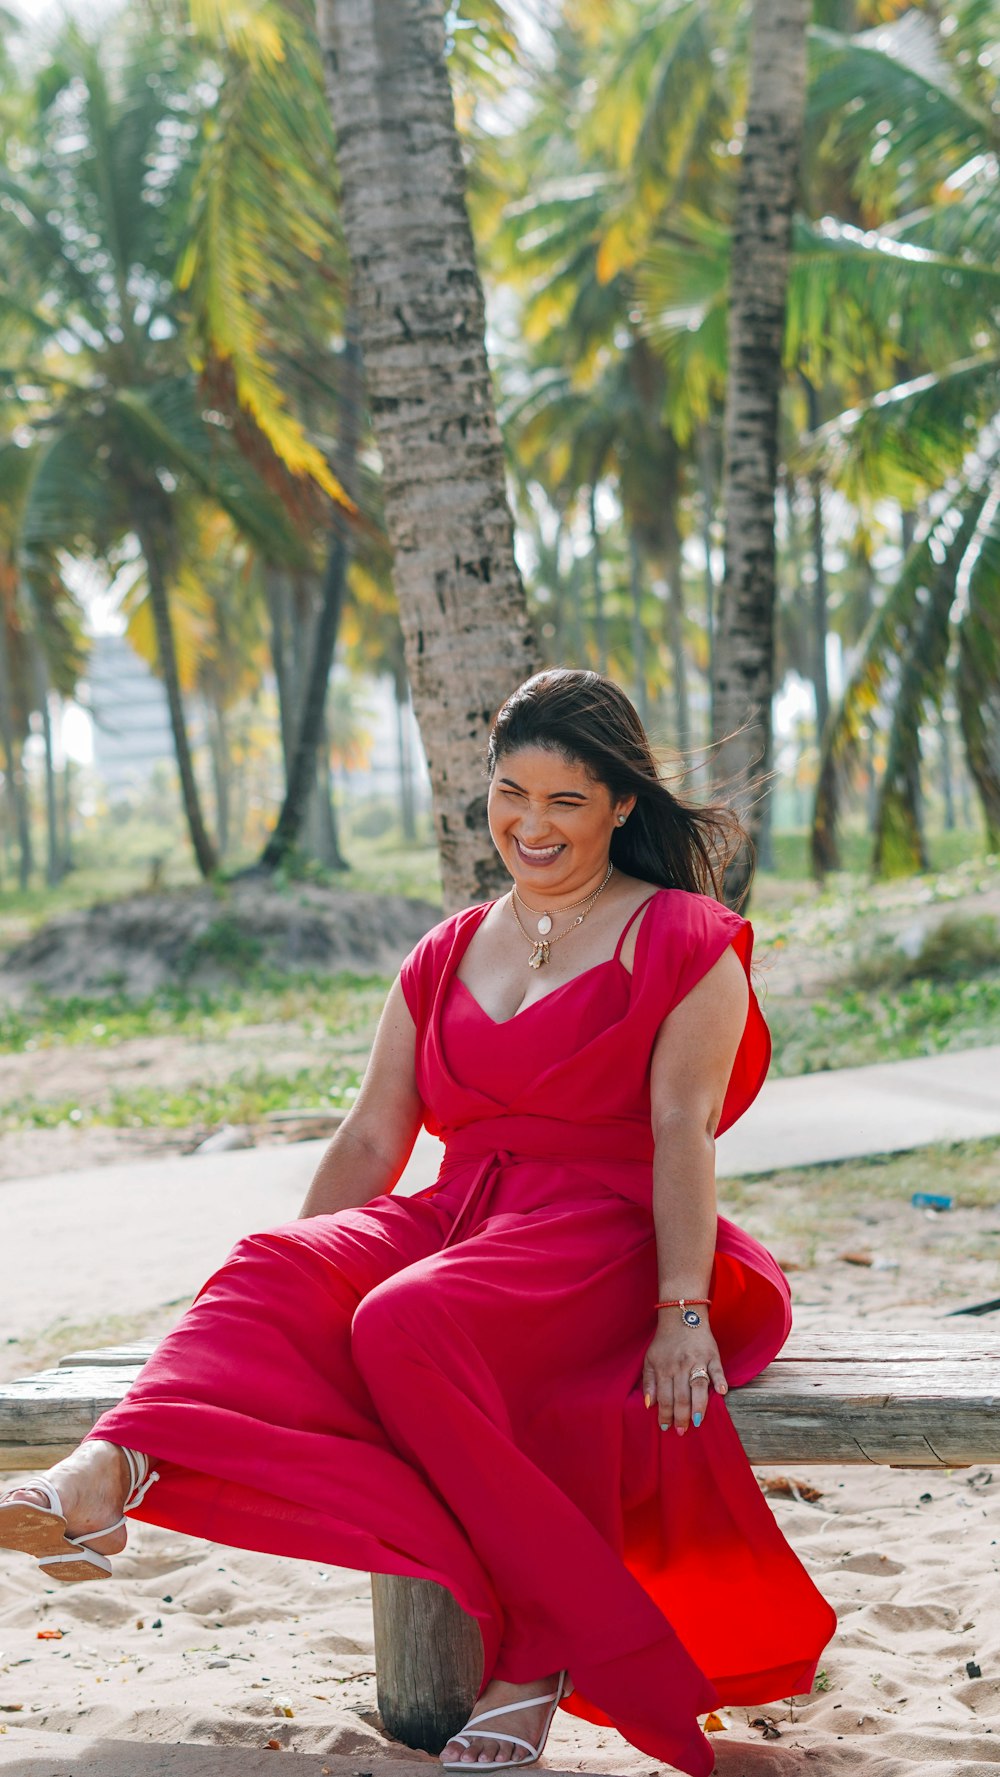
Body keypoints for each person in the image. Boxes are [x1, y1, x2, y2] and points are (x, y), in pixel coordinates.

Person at [0, 669, 835, 1775]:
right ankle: (110, 1473)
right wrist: (305, 1275)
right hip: (464, 1215)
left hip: (612, 1231)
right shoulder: (443, 952)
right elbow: (366, 1140)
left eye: (564, 802)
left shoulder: (687, 939)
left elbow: (684, 1127)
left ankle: (531, 1653)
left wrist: (682, 1310)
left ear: (622, 805)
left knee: (406, 1320)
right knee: (272, 1264)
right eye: (509, 793)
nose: (528, 825)